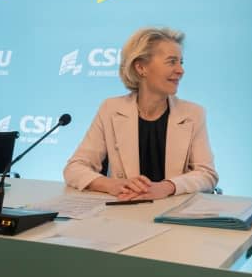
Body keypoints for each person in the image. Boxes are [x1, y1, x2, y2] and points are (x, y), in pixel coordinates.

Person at [64, 27, 218, 200]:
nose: (180, 70)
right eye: (171, 62)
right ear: (141, 68)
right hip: (124, 214)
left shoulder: (193, 113)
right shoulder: (111, 109)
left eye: (181, 62)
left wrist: (167, 187)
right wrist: (112, 185)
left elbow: (207, 174)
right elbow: (74, 168)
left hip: (173, 215)